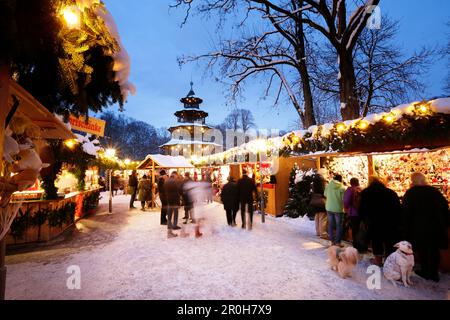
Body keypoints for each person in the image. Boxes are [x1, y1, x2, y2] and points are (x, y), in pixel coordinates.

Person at [402, 173, 449, 282]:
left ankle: (425, 271)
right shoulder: (434, 191)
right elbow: (444, 207)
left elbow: (406, 213)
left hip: (419, 228)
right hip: (435, 227)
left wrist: (405, 229)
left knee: (422, 250)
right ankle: (434, 273)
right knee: (434, 250)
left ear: (413, 181)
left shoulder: (411, 193)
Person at [359, 176, 401, 266]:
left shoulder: (365, 193)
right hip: (390, 221)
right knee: (389, 241)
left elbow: (362, 209)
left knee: (376, 240)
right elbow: (398, 208)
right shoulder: (391, 192)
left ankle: (378, 260)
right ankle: (389, 261)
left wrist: (364, 220)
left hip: (374, 222)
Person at [324, 174, 346, 246]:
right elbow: (344, 199)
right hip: (338, 209)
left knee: (330, 224)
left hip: (329, 208)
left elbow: (325, 194)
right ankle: (337, 242)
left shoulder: (328, 186)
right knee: (339, 225)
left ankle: (332, 241)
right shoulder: (342, 188)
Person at [344, 178, 363, 250]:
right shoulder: (362, 189)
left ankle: (356, 246)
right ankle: (363, 245)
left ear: (351, 183)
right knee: (361, 229)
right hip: (361, 213)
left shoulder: (350, 190)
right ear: (358, 182)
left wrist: (346, 208)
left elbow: (346, 201)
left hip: (353, 213)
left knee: (355, 230)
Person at [310, 173, 327, 239]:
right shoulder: (322, 181)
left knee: (317, 216)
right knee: (322, 217)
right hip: (321, 201)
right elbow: (324, 192)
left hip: (315, 200)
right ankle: (323, 233)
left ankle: (318, 232)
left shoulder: (314, 181)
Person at [165, 172, 182, 238]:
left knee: (169, 216)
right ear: (174, 175)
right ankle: (174, 226)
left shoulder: (166, 181)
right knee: (175, 213)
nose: (177, 177)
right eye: (176, 176)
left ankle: (169, 232)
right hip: (174, 201)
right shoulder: (174, 182)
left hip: (169, 200)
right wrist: (178, 202)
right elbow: (176, 193)